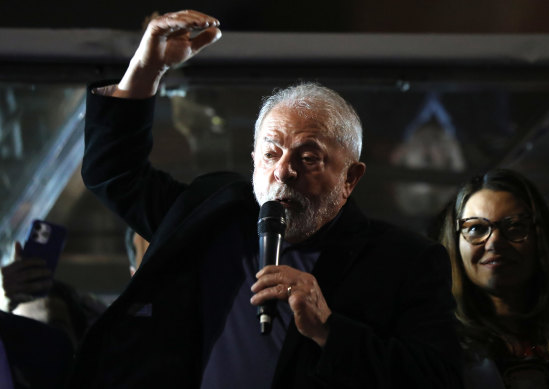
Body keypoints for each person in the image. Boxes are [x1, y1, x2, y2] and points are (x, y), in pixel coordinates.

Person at [69, 9, 463, 389]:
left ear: (350, 178)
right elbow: (112, 172)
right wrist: (148, 67)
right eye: (272, 153)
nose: (283, 172)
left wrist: (329, 329)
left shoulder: (404, 262)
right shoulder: (212, 217)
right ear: (254, 158)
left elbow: (436, 379)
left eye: (308, 158)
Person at [438, 168, 549, 388]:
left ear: (541, 239)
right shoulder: (432, 344)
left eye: (514, 226)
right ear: (455, 243)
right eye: (476, 228)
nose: (495, 242)